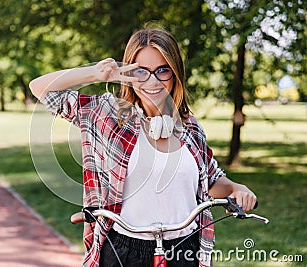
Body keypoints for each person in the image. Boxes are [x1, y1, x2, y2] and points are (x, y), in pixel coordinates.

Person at [29, 27, 257, 267]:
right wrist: (95, 73)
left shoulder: (190, 127)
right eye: (141, 72)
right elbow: (40, 88)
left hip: (185, 250)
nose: (153, 81)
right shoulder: (107, 116)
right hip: (123, 251)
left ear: (175, 73)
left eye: (163, 70)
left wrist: (236, 188)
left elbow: (211, 180)